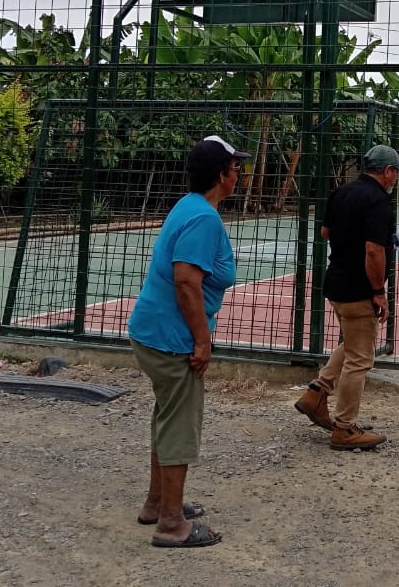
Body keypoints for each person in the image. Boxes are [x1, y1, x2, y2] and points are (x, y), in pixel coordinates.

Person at [127, 134, 247, 548]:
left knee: (167, 415)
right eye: (236, 167)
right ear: (222, 175)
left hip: (152, 331)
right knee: (179, 424)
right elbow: (186, 282)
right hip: (172, 337)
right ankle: (171, 524)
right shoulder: (204, 219)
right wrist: (202, 341)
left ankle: (157, 503)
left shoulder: (189, 206)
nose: (239, 174)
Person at [294, 144, 399, 450]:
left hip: (336, 282)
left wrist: (348, 238)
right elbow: (374, 250)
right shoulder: (379, 202)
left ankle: (317, 392)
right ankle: (344, 428)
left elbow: (325, 232)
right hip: (359, 289)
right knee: (360, 360)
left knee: (354, 345)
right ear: (387, 171)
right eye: (396, 172)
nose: (396, 178)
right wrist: (378, 291)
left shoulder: (341, 192)